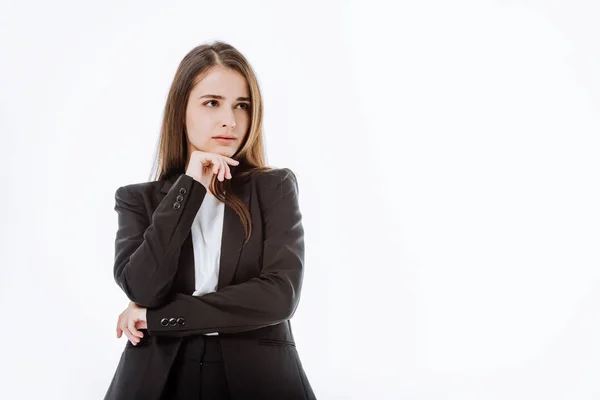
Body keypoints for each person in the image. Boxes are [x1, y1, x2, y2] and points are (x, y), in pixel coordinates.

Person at [103, 41, 316, 400]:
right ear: (180, 110)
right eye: (212, 103)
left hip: (259, 380)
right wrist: (190, 186)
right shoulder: (137, 199)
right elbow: (143, 288)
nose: (230, 121)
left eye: (242, 106)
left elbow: (279, 295)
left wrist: (158, 318)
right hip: (159, 380)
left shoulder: (274, 188)